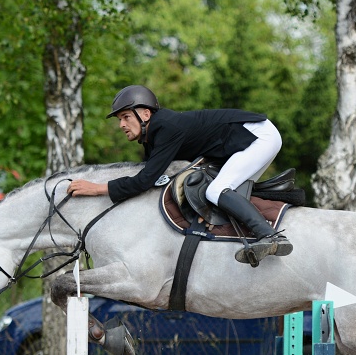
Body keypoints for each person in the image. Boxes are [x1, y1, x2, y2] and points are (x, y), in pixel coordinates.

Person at [67, 85, 292, 265]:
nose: (121, 125)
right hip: (246, 141)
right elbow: (151, 178)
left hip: (259, 136)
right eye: (120, 120)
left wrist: (96, 188)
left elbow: (143, 181)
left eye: (126, 117)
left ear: (146, 114)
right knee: (221, 193)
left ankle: (270, 236)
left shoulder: (165, 127)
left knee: (216, 191)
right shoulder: (153, 136)